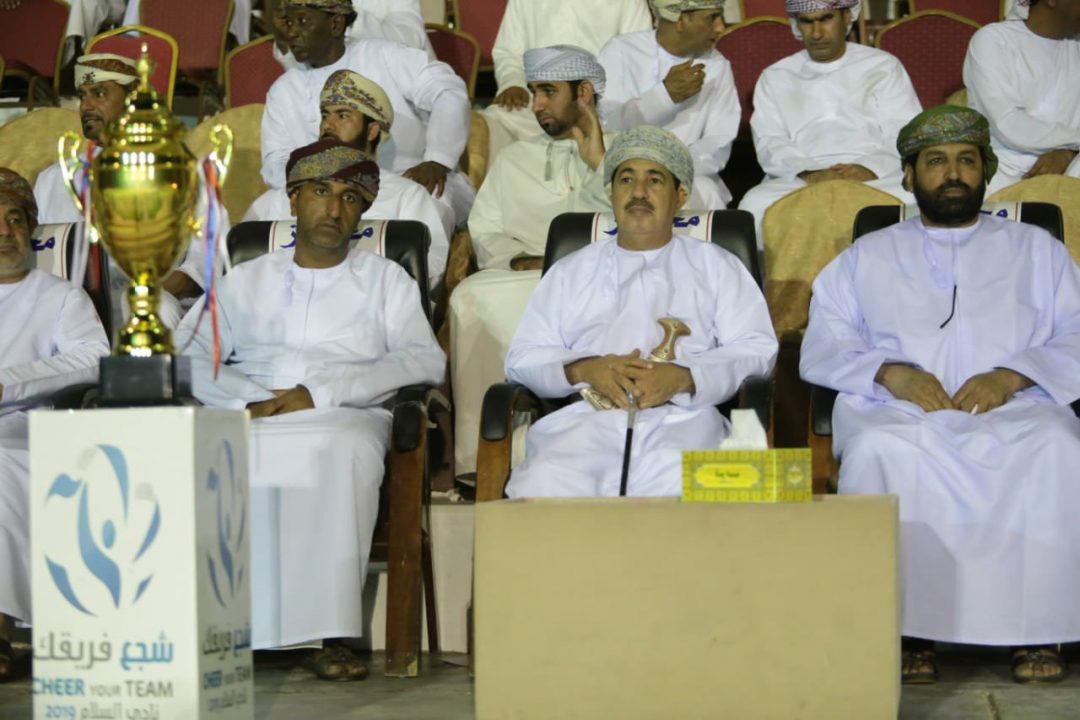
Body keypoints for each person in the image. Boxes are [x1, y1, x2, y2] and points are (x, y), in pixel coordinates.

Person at [800, 105, 1080, 685]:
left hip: (1016, 410)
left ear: (986, 171)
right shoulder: (867, 255)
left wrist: (1013, 376)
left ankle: (1036, 627)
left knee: (1056, 445)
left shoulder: (1037, 250)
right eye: (935, 162)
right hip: (899, 413)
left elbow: (1075, 331)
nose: (952, 174)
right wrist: (891, 374)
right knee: (878, 452)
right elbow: (826, 339)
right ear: (909, 175)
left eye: (966, 161)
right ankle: (905, 630)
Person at [178, 140, 444, 680]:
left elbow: (424, 359)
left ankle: (327, 634)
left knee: (338, 448)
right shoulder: (245, 279)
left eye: (350, 197)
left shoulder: (385, 279)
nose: (334, 208)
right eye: (321, 191)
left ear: (362, 211)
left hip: (345, 411)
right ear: (294, 199)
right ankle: (215, 628)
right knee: (189, 446)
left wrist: (319, 393)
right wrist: (247, 399)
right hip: (249, 406)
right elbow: (187, 353)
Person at [504, 126, 777, 497]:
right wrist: (585, 369)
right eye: (626, 179)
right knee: (545, 480)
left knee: (698, 487)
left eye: (655, 180)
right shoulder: (571, 270)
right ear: (611, 193)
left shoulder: (717, 266)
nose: (638, 192)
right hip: (586, 419)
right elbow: (522, 358)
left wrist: (684, 377)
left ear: (680, 196)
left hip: (686, 420)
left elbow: (757, 350)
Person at [448, 45, 614, 480]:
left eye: (548, 91)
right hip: (523, 276)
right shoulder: (514, 157)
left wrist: (600, 165)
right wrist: (519, 258)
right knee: (470, 297)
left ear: (583, 93)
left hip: (602, 276)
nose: (536, 104)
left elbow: (641, 225)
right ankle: (482, 455)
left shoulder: (626, 153)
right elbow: (486, 229)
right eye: (534, 91)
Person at [0, 168, 110, 679]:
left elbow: (93, 359)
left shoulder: (60, 296)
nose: (4, 233)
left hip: (24, 430)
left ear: (31, 229)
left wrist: (8, 385)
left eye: (14, 220)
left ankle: (0, 628)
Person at [262, 0, 474, 226]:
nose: (292, 32)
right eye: (289, 23)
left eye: (303, 21)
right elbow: (275, 161)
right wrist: (314, 181)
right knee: (266, 210)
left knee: (424, 212)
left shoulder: (385, 55)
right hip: (322, 192)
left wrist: (437, 160)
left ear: (336, 24)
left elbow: (448, 91)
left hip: (411, 179)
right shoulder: (283, 89)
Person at [245, 69, 449, 291]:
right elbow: (238, 258)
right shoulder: (286, 194)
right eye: (325, 115)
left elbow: (430, 269)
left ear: (372, 131)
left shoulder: (407, 196)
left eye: (342, 116)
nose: (327, 125)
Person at [739, 0, 921, 239]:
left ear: (847, 16)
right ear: (796, 24)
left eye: (825, 19)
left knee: (913, 198)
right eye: (807, 22)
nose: (816, 33)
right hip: (800, 178)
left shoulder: (883, 66)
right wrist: (812, 173)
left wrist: (867, 168)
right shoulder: (775, 75)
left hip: (877, 175)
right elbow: (770, 141)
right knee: (754, 205)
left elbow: (905, 131)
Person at [32, 53, 186, 329]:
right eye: (83, 95)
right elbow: (36, 256)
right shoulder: (53, 180)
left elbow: (203, 259)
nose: (86, 105)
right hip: (65, 308)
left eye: (99, 94)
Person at [599, 0, 738, 206]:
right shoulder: (621, 51)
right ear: (681, 19)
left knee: (706, 193)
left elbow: (719, 138)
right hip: (624, 171)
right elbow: (608, 127)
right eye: (712, 18)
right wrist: (664, 96)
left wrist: (674, 169)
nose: (720, 27)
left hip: (689, 174)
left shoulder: (718, 65)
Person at [480, 0, 653, 161]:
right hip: (536, 105)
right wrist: (512, 82)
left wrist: (594, 99)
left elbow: (638, 56)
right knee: (484, 126)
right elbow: (509, 52)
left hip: (600, 108)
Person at [964, 0, 1080, 193]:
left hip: (1072, 168)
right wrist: (1073, 142)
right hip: (1003, 171)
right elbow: (1008, 124)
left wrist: (1068, 153)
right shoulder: (993, 40)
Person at [269, 0, 435, 71]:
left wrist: (343, 15)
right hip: (336, 106)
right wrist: (286, 39)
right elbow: (305, 76)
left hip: (406, 103)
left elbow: (411, 40)